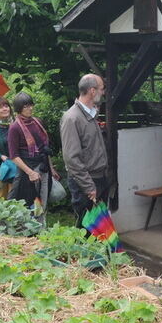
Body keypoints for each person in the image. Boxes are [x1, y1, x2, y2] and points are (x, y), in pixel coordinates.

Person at [60, 74, 109, 229]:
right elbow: (71, 159)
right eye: (102, 89)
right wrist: (89, 187)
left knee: (100, 228)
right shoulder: (72, 118)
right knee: (86, 230)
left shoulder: (91, 113)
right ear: (92, 91)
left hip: (99, 179)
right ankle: (86, 254)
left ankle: (99, 253)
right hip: (85, 184)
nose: (104, 92)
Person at [7, 91, 61, 225]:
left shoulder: (37, 122)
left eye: (31, 105)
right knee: (29, 203)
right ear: (19, 109)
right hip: (28, 171)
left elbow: (44, 148)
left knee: (43, 200)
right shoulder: (15, 128)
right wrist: (30, 172)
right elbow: (14, 156)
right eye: (26, 106)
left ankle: (42, 228)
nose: (30, 108)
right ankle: (31, 232)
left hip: (43, 167)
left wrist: (51, 167)